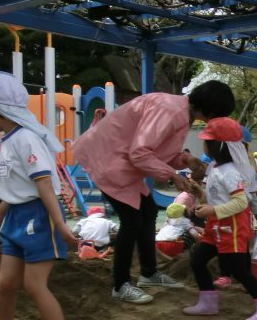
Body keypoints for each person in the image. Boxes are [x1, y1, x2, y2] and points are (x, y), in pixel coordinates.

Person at [73, 80, 235, 305]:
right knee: (131, 221)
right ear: (213, 109)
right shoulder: (170, 111)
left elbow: (160, 150)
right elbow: (140, 152)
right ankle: (120, 285)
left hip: (123, 162)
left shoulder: (180, 113)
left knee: (148, 212)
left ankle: (148, 273)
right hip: (109, 159)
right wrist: (172, 175)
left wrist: (186, 159)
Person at [0, 72, 78, 320]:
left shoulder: (26, 140)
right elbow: (20, 186)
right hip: (16, 218)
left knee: (34, 284)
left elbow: (44, 185)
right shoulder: (8, 139)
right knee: (6, 283)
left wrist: (59, 224)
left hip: (38, 218)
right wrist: (0, 212)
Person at [182, 117, 257, 320]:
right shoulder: (215, 167)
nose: (203, 144)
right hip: (216, 225)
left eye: (206, 141)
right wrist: (202, 195)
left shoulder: (230, 172)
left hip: (231, 228)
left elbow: (241, 202)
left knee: (239, 271)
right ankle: (208, 302)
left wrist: (212, 209)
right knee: (197, 260)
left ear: (218, 145)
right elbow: (219, 197)